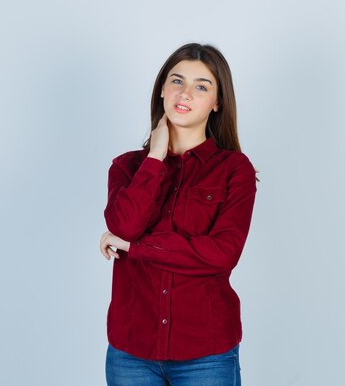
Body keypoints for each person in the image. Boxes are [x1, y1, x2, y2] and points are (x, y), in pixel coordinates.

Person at [99, 42, 258, 386]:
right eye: (177, 81)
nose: (185, 93)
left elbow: (222, 254)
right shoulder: (127, 167)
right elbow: (124, 225)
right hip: (131, 353)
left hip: (206, 354)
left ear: (217, 103)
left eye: (201, 86)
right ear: (161, 91)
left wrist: (137, 247)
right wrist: (155, 157)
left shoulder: (235, 170)